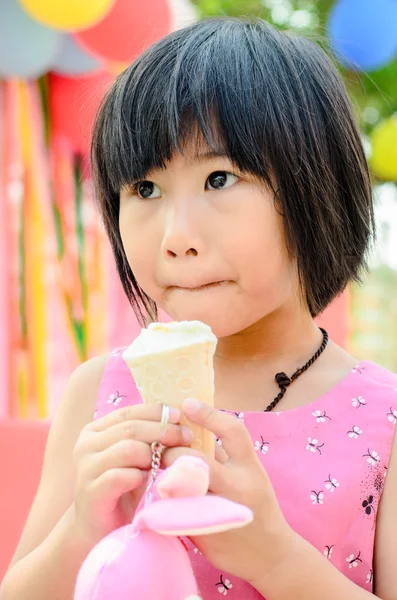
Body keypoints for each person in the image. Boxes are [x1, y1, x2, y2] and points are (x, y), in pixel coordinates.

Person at [1, 16, 396, 600]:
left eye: (218, 178)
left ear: (318, 187)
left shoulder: (383, 420)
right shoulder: (99, 396)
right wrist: (81, 527)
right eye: (145, 189)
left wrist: (276, 559)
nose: (175, 236)